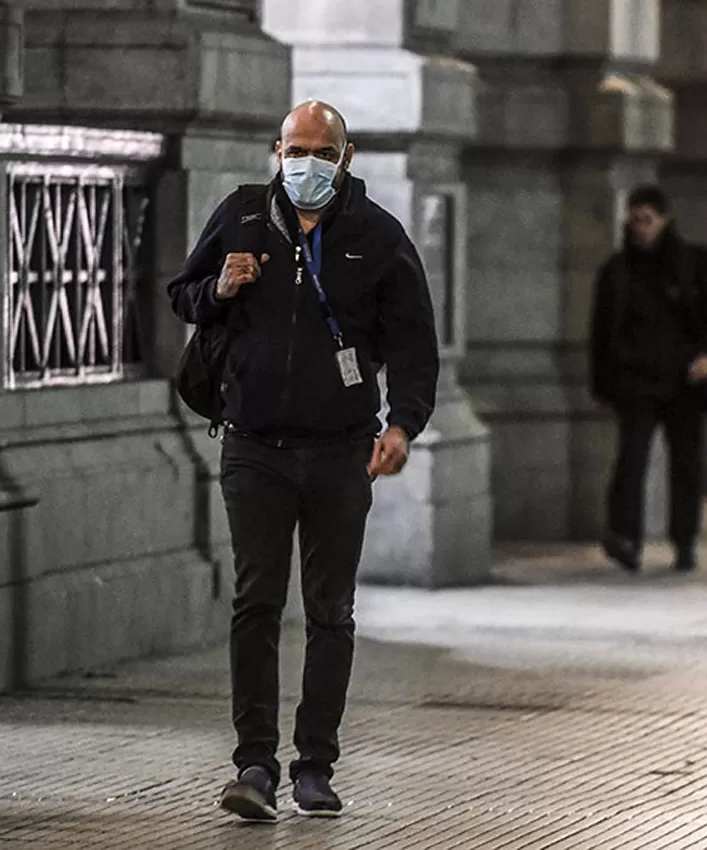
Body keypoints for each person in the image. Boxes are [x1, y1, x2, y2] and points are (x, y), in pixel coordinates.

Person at [167, 101, 439, 822]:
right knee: (256, 601)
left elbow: (414, 342)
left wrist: (404, 425)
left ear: (345, 159)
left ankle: (314, 763)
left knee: (330, 610)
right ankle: (254, 764)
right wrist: (220, 287)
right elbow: (182, 297)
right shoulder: (244, 215)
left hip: (340, 450)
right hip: (253, 446)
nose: (306, 164)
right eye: (296, 150)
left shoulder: (377, 237)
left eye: (322, 152)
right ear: (276, 150)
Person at [589, 186, 707, 574]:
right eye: (634, 220)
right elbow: (601, 334)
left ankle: (684, 540)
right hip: (636, 382)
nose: (640, 229)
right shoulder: (618, 270)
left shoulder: (695, 263)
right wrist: (602, 386)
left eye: (647, 220)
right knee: (631, 460)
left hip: (685, 381)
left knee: (686, 464)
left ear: (664, 219)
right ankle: (625, 536)